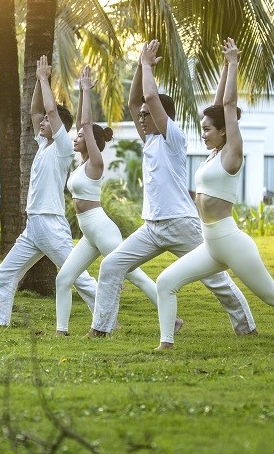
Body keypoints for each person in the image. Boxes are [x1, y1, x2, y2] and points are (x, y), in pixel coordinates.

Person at [154, 38, 274, 350]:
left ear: (224, 131)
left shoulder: (232, 153)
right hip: (210, 245)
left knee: (272, 296)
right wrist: (223, 68)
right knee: (166, 282)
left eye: (208, 129)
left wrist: (234, 65)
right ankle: (166, 344)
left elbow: (228, 108)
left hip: (231, 243)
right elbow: (221, 107)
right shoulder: (214, 153)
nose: (203, 133)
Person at [86, 40, 257, 338]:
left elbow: (150, 96)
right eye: (140, 116)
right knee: (112, 265)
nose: (140, 118)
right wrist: (140, 65)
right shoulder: (150, 139)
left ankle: (247, 328)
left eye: (146, 115)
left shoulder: (172, 136)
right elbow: (135, 101)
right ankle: (101, 329)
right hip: (152, 226)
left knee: (216, 279)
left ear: (162, 116)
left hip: (180, 223)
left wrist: (149, 65)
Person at [54, 65, 177, 336]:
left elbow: (85, 125)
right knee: (63, 278)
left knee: (134, 275)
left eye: (80, 137)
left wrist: (85, 90)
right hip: (89, 232)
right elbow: (81, 125)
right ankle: (61, 331)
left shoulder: (95, 162)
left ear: (91, 141)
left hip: (101, 228)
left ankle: (173, 320)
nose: (76, 138)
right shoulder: (80, 164)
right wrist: (82, 93)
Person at [0, 55, 97, 327]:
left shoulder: (63, 147)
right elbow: (36, 112)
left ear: (60, 127)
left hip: (51, 224)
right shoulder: (43, 144)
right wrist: (40, 83)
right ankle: (0, 324)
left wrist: (43, 78)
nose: (41, 124)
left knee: (78, 277)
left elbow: (50, 113)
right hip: (33, 226)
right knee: (4, 274)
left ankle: (107, 318)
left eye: (48, 123)